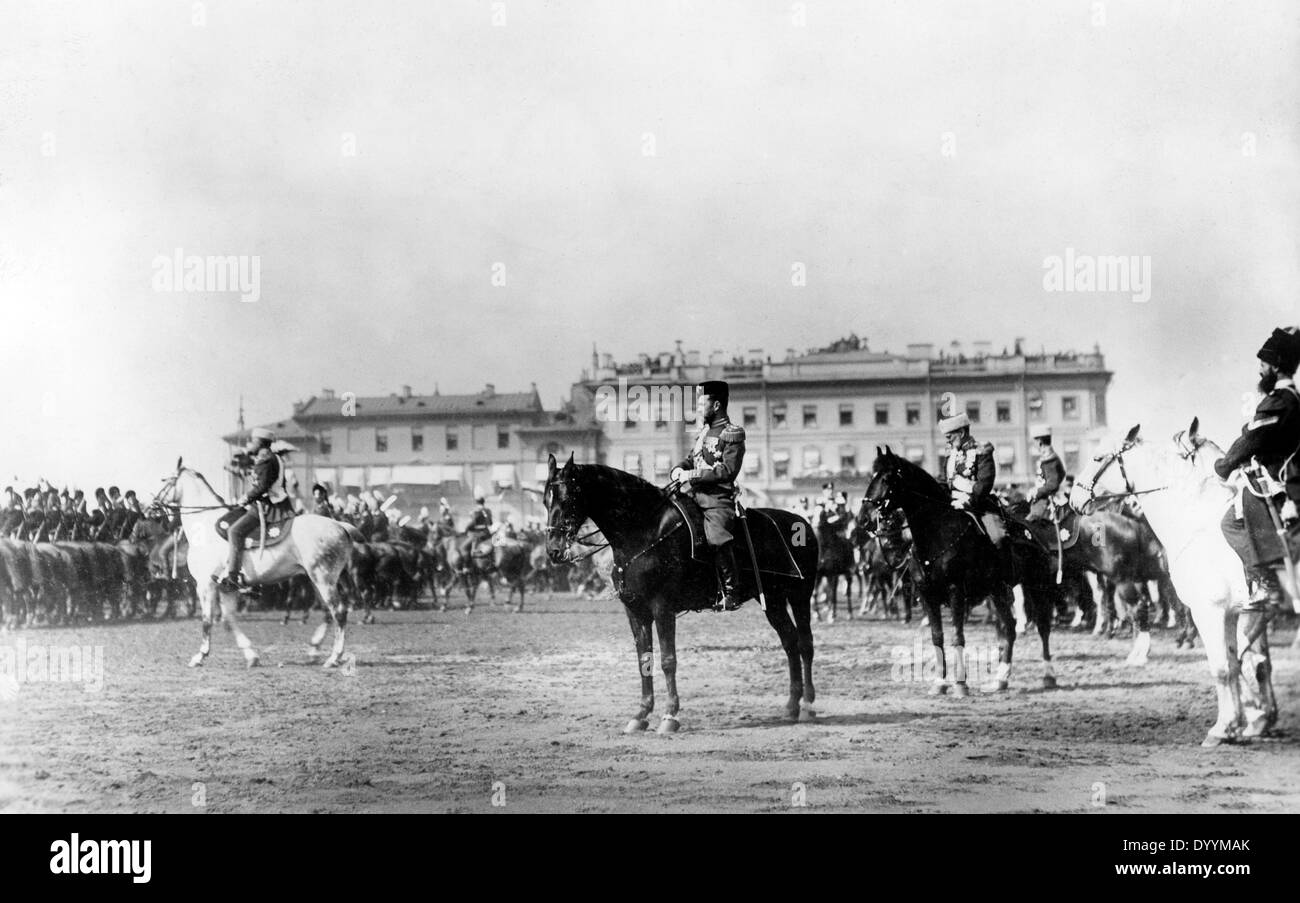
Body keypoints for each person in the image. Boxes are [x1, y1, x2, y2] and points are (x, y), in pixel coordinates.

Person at [1216, 327, 1300, 610]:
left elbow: (1252, 438)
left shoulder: (1279, 401)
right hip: (1279, 474)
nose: (1260, 372)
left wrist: (1223, 466)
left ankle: (1267, 584)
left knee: (1229, 522)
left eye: (1263, 366)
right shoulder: (1286, 399)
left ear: (1276, 366)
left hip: (1279, 480)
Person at [670, 379, 747, 610]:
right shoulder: (703, 432)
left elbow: (727, 471)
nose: (698, 409)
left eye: (702, 403)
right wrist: (678, 468)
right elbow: (691, 458)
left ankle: (732, 592)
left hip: (717, 500)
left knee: (716, 538)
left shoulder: (732, 434)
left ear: (716, 405)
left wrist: (691, 476)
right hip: (693, 496)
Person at [217, 426, 290, 591]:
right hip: (271, 503)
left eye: (253, 441)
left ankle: (233, 577)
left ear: (261, 443)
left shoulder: (265, 459)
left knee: (234, 531)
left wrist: (245, 498)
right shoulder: (271, 458)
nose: (250, 444)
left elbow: (262, 486)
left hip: (267, 507)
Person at [939, 412, 1004, 546]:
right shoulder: (950, 454)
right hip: (952, 504)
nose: (948, 440)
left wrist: (968, 501)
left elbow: (984, 484)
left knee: (998, 537)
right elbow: (943, 481)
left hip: (978, 505)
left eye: (950, 436)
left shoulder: (981, 450)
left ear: (961, 433)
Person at [1027, 426, 1065, 521]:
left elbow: (1052, 485)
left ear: (1040, 442)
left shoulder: (1049, 459)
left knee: (1030, 523)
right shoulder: (1048, 457)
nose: (1033, 444)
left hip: (1048, 502)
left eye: (1034, 441)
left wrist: (1037, 491)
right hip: (1046, 499)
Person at [459, 491, 493, 569]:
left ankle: (467, 567)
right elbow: (490, 523)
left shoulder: (476, 512)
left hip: (478, 535)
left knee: (463, 547)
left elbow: (472, 524)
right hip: (487, 534)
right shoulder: (488, 511)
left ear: (476, 502)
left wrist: (466, 529)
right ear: (483, 501)